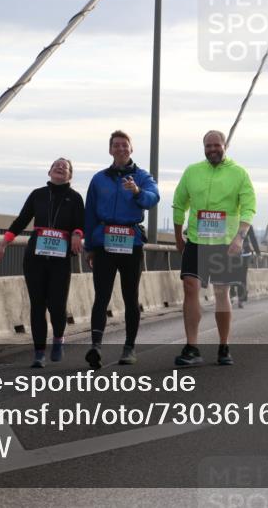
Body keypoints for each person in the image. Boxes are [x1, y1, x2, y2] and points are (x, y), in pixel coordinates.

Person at [172, 130, 256, 367]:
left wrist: (240, 237)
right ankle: (192, 347)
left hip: (225, 244)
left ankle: (223, 346)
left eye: (216, 145)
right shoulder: (192, 171)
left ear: (225, 145)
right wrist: (179, 238)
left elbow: (249, 207)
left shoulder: (239, 174)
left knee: (221, 293)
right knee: (190, 287)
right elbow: (179, 204)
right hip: (197, 241)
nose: (212, 150)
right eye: (208, 146)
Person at [0, 158, 85, 368]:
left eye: (65, 167)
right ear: (49, 171)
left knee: (56, 305)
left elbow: (81, 223)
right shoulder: (38, 195)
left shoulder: (75, 198)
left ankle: (59, 339)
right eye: (56, 165)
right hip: (35, 258)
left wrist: (77, 235)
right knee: (37, 305)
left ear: (69, 175)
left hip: (59, 261)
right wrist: (3, 244)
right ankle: (39, 353)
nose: (60, 168)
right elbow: (21, 220)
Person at [83, 130, 160, 368]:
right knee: (101, 296)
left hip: (131, 242)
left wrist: (137, 191)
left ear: (131, 149)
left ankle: (129, 348)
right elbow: (90, 214)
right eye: (116, 146)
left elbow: (153, 198)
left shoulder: (142, 176)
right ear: (110, 150)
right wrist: (90, 247)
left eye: (125, 145)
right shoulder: (99, 179)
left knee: (130, 296)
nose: (121, 149)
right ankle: (96, 346)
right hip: (105, 243)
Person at [231, 226, 261, 309]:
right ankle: (231, 294)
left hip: (245, 254)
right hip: (232, 252)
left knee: (242, 277)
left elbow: (252, 238)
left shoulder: (247, 224)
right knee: (231, 274)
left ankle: (241, 298)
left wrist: (258, 252)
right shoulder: (230, 219)